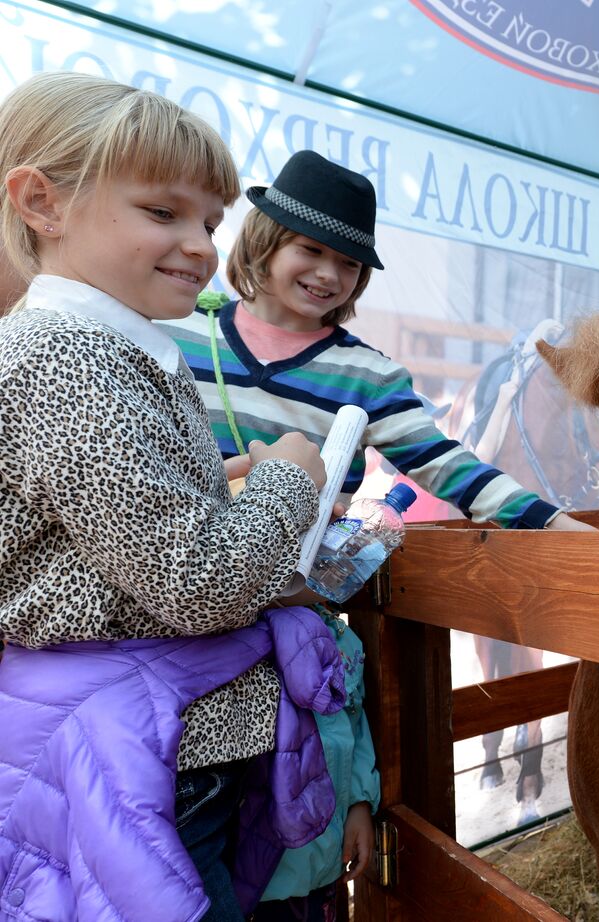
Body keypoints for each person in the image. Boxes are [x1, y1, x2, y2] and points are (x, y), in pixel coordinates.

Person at [159, 150, 587, 852]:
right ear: (264, 241)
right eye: (313, 249)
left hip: (287, 631)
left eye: (350, 264)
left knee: (284, 837)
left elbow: (446, 465)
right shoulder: (174, 336)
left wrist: (556, 525)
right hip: (180, 612)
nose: (330, 274)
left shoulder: (370, 374)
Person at [0, 72, 332, 921]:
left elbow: (95, 523)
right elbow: (196, 583)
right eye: (163, 212)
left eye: (211, 223)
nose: (201, 244)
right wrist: (293, 474)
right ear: (42, 202)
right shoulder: (68, 357)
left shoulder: (104, 348)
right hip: (151, 762)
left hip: (155, 742)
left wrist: (213, 487)